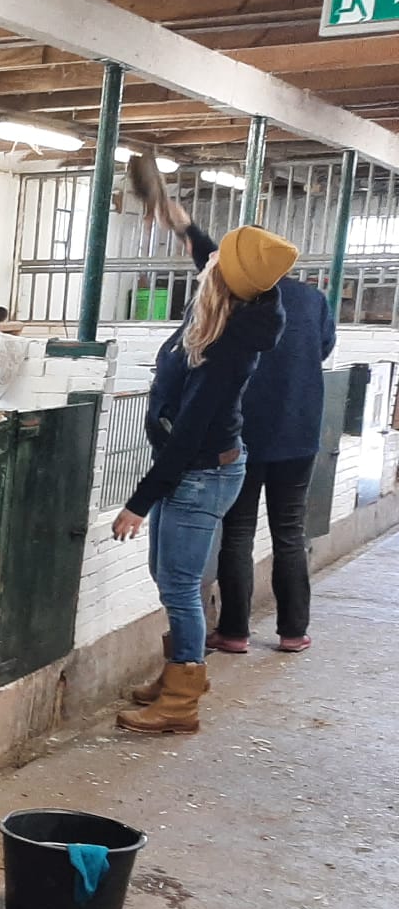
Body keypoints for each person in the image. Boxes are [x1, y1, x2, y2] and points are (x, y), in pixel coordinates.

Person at [111, 223, 297, 734]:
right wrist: (181, 223)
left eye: (219, 259)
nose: (209, 259)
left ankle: (181, 700)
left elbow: (190, 434)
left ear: (224, 278)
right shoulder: (229, 306)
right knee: (166, 575)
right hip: (194, 469)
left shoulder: (226, 347)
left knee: (179, 585)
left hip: (200, 473)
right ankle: (179, 670)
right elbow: (215, 258)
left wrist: (139, 502)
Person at [155, 196, 333, 656]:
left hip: (244, 436)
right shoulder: (312, 300)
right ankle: (293, 630)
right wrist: (187, 227)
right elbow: (324, 349)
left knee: (238, 532)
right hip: (299, 434)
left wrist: (186, 226)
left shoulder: (234, 300)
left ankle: (235, 631)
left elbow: (213, 266)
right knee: (290, 532)